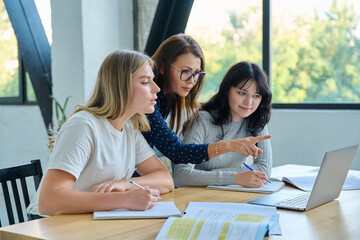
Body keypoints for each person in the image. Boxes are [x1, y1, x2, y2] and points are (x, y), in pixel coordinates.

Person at [27, 50, 174, 217]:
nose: (156, 88)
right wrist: (124, 199)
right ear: (121, 86)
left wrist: (125, 184)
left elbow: (165, 180)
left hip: (89, 221)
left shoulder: (128, 129)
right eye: (145, 82)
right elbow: (50, 202)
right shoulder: (83, 126)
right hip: (50, 224)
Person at [142, 34, 271, 165]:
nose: (192, 80)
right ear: (163, 67)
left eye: (197, 73)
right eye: (186, 71)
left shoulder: (167, 97)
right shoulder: (147, 99)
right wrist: (228, 146)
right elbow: (176, 151)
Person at [173, 61, 272, 188]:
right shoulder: (202, 120)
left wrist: (211, 174)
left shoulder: (257, 120)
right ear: (227, 90)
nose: (249, 102)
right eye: (242, 93)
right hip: (199, 196)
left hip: (231, 195)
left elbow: (264, 170)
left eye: (256, 96)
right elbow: (181, 175)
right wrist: (236, 178)